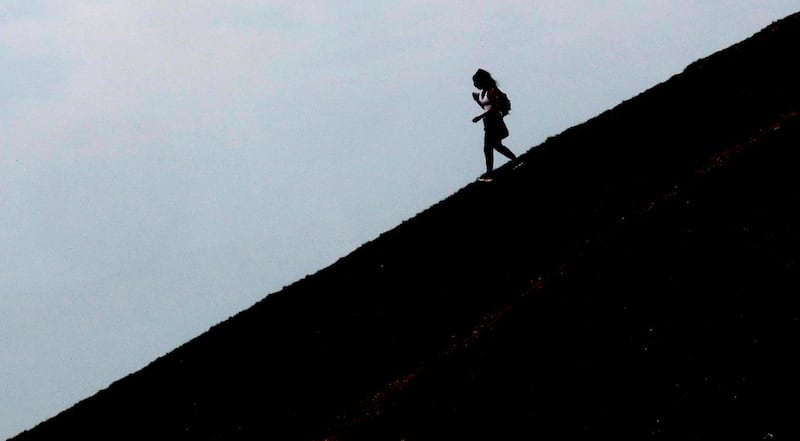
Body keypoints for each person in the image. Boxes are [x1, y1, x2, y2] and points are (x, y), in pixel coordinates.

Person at [471, 68, 517, 181]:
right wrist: (477, 100)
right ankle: (513, 160)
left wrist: (479, 116)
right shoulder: (482, 93)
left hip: (495, 122)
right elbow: (486, 107)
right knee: (494, 146)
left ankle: (490, 172)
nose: (474, 84)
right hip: (488, 123)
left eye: (476, 82)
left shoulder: (492, 91)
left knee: (489, 147)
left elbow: (493, 108)